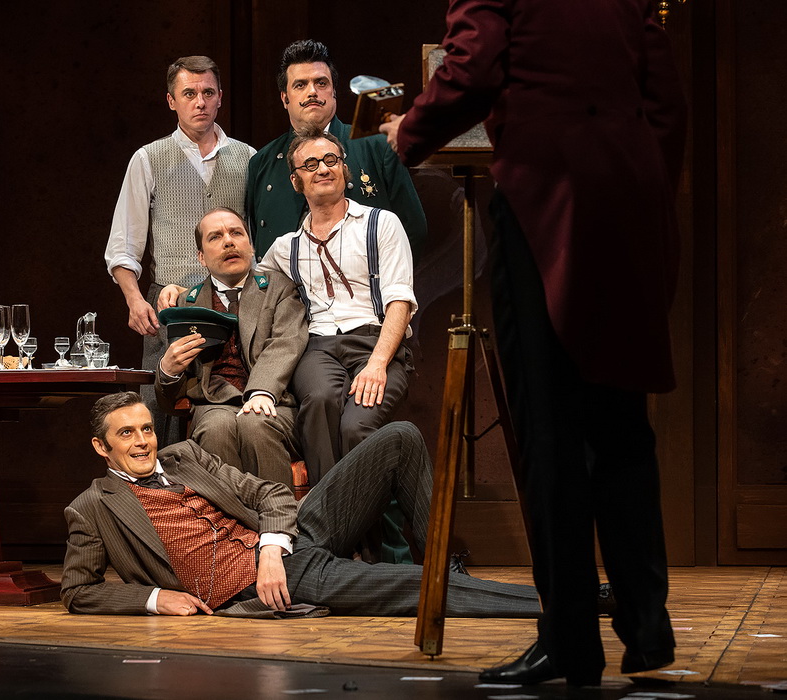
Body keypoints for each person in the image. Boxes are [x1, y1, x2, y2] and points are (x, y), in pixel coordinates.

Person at [381, 0, 687, 686]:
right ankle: (646, 623)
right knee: (620, 419)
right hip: (630, 201)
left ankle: (571, 640)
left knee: (550, 430)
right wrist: (642, 183)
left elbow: (474, 65)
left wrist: (408, 132)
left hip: (548, 201)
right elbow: (665, 96)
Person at [61, 391, 542, 618]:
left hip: (288, 542)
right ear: (101, 447)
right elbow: (77, 590)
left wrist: (272, 546)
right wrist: (154, 599)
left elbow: (269, 493)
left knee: (399, 436)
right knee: (416, 588)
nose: (143, 441)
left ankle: (444, 560)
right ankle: (559, 604)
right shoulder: (92, 506)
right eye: (127, 434)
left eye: (146, 428)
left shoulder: (184, 455)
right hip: (268, 581)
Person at [104, 56, 255, 446]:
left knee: (230, 408)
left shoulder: (248, 158)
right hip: (169, 304)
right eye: (189, 93)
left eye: (208, 92)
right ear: (171, 100)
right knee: (160, 410)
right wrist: (135, 301)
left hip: (234, 302)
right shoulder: (149, 159)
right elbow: (123, 245)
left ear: (220, 97)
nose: (199, 102)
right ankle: (159, 486)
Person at [258, 129, 415, 489]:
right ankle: (327, 518)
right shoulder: (287, 247)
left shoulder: (381, 224)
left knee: (356, 427)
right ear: (296, 181)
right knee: (319, 401)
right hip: (318, 347)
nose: (323, 169)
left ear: (345, 170)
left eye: (331, 160)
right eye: (310, 164)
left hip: (376, 344)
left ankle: (361, 522)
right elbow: (244, 282)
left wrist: (377, 364)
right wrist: (181, 290)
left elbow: (400, 301)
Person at [154, 208, 307, 487]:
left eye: (236, 233)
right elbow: (168, 400)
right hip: (213, 404)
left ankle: (278, 513)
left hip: (274, 402)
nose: (228, 242)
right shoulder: (187, 304)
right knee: (216, 428)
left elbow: (285, 344)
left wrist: (262, 392)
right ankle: (229, 516)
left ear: (251, 245)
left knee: (256, 423)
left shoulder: (279, 289)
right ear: (201, 257)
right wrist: (168, 370)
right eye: (215, 237)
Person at [246, 39, 426, 258]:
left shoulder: (377, 146)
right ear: (285, 98)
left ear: (334, 92)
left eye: (321, 83)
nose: (312, 92)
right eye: (300, 85)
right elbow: (255, 241)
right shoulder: (261, 162)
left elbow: (412, 230)